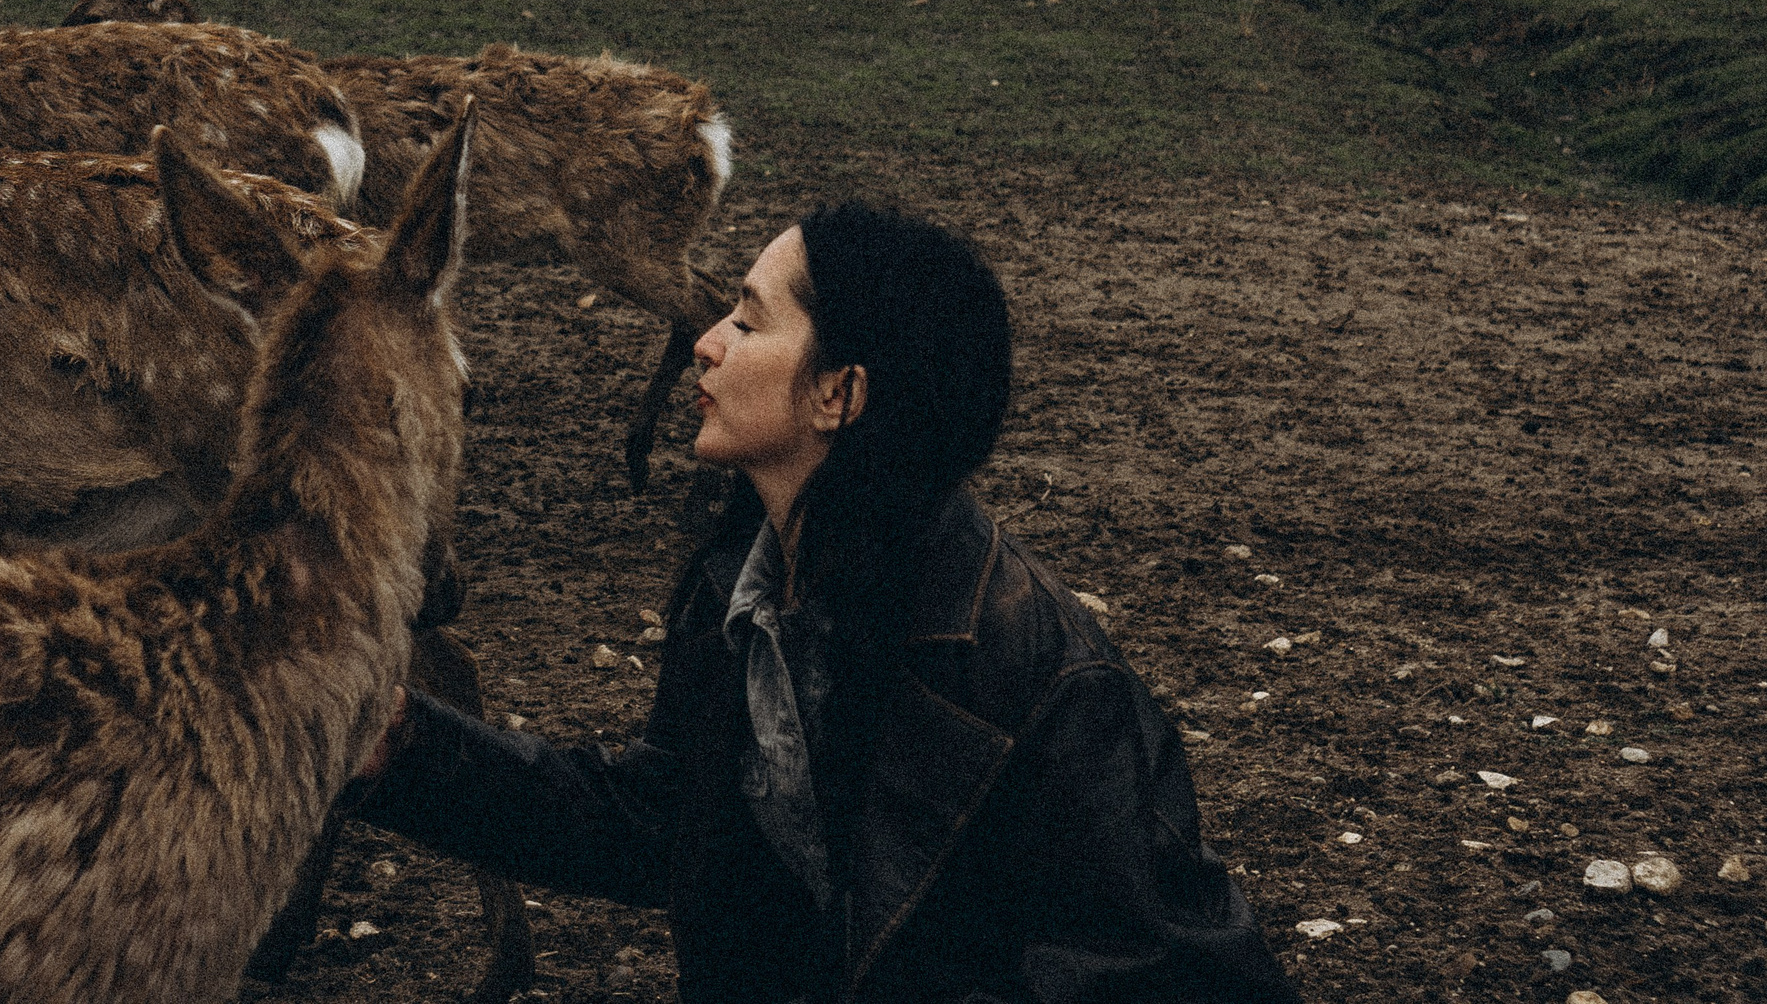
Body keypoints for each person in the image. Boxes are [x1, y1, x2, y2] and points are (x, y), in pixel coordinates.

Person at [351, 200, 1297, 1003]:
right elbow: (660, 820)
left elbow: (1140, 968)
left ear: (839, 393)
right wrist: (404, 746)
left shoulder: (1041, 675)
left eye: (751, 322)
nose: (707, 343)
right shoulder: (745, 586)